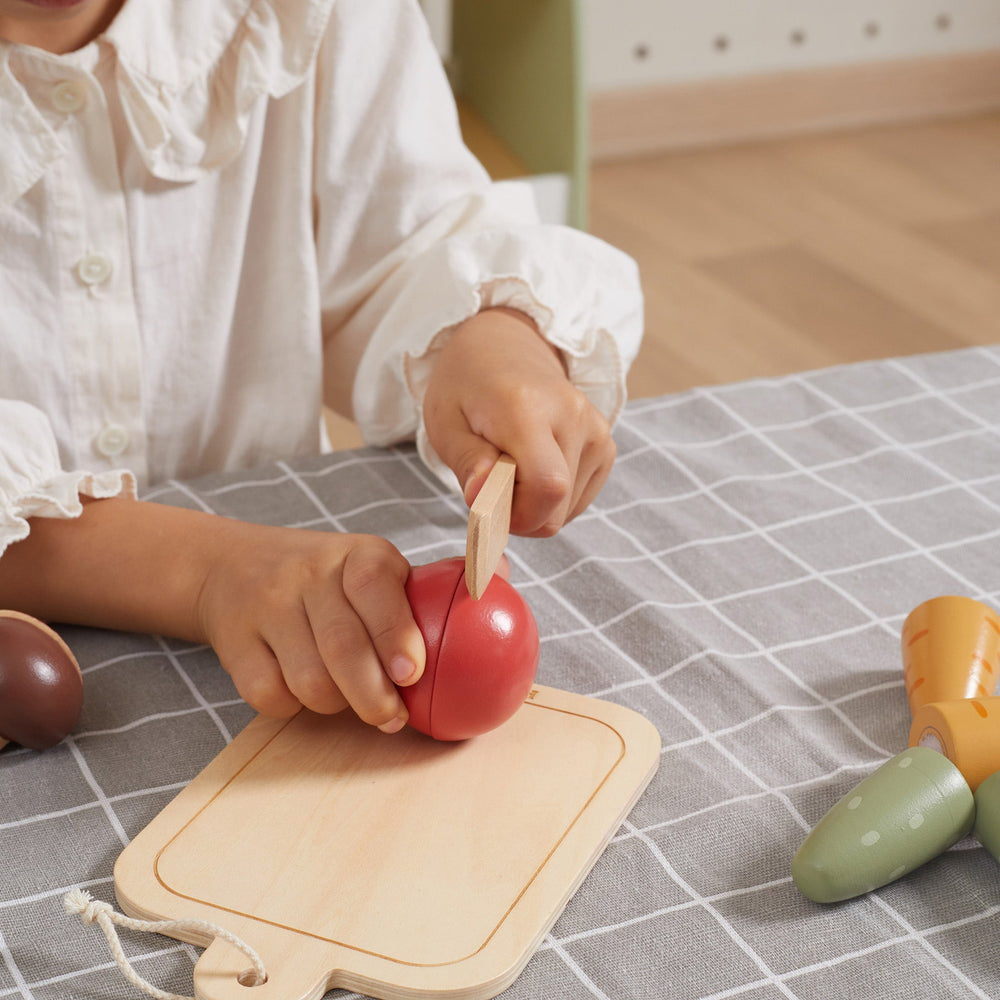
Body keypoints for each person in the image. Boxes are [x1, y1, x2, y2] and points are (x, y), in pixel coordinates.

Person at [0, 0, 643, 734]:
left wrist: (493, 336)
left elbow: (403, 235)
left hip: (289, 606)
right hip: (223, 609)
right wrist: (206, 571)